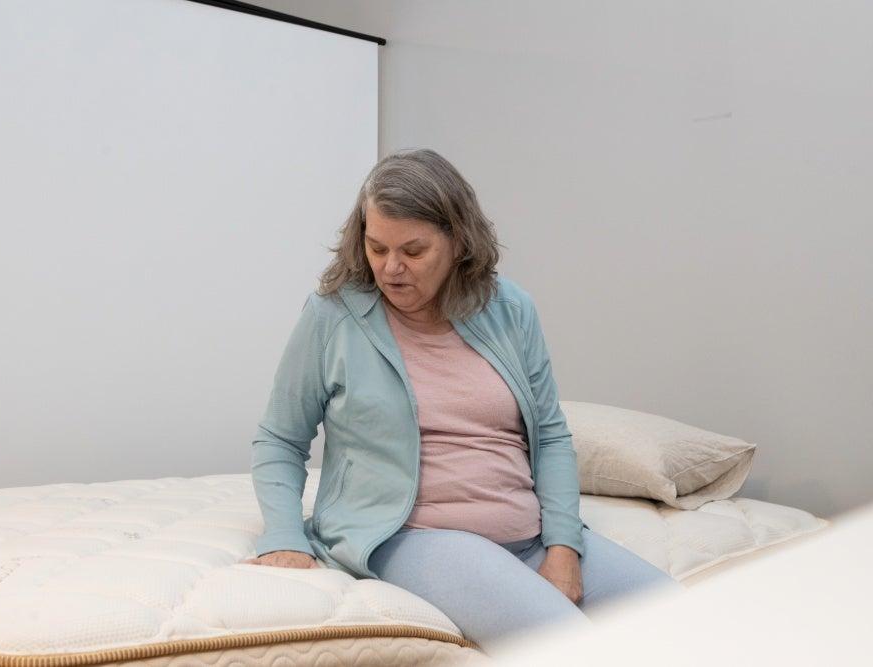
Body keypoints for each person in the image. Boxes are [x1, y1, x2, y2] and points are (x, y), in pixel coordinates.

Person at [241, 148, 682, 652]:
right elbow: (279, 437)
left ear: (458, 242)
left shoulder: (510, 309)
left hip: (528, 535)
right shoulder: (332, 318)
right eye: (376, 247)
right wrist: (283, 537)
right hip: (412, 535)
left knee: (691, 621)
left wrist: (563, 546)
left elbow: (551, 433)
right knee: (571, 647)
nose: (391, 268)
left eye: (413, 250)